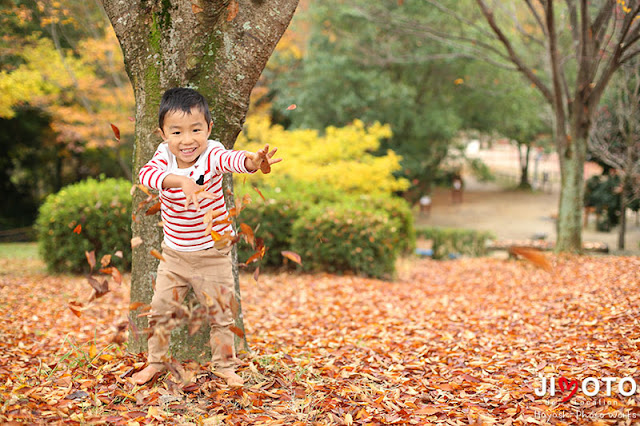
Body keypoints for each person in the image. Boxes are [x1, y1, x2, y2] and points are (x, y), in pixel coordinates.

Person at [131, 88, 281, 387]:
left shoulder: (212, 153)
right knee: (160, 312)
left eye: (196, 130)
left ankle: (225, 366)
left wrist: (254, 161)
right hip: (174, 257)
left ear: (208, 129)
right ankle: (155, 363)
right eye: (177, 132)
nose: (187, 140)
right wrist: (181, 181)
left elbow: (234, 160)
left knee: (222, 315)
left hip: (213, 255)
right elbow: (145, 176)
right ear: (163, 134)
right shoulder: (163, 158)